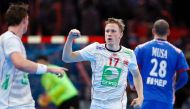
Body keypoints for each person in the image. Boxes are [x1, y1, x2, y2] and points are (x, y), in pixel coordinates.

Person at [62, 18, 144, 109]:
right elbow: (67, 58)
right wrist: (69, 39)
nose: (109, 33)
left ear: (121, 34)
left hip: (117, 105)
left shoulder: (129, 54)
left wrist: (140, 96)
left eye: (113, 31)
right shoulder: (95, 49)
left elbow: (136, 75)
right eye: (107, 31)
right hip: (96, 105)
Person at [0, 3, 67, 109]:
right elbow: (20, 63)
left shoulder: (7, 39)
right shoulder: (10, 39)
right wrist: (49, 69)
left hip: (16, 103)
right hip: (15, 104)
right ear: (25, 19)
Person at [128, 19, 189, 109]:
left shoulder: (141, 48)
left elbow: (131, 70)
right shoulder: (177, 52)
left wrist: (133, 86)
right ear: (168, 32)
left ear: (153, 31)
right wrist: (173, 88)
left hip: (145, 97)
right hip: (166, 99)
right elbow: (184, 77)